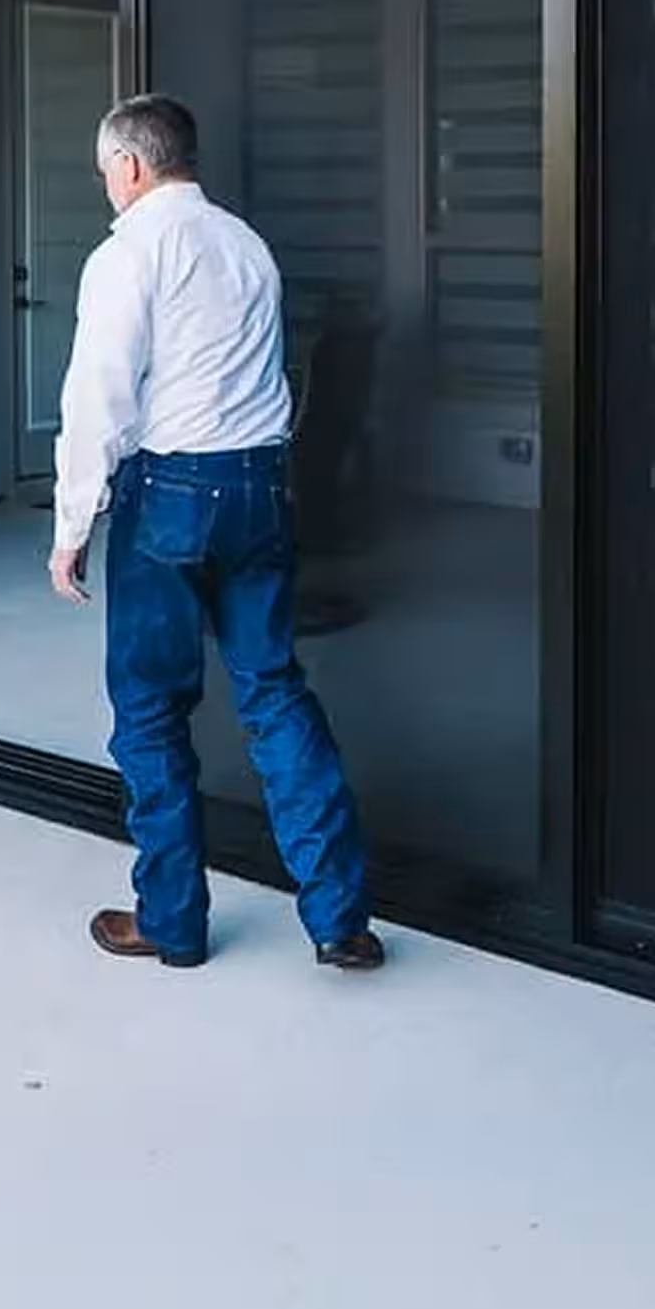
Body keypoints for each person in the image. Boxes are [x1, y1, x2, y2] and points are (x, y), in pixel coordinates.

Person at [48, 93, 384, 972]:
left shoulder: (129, 255)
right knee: (274, 692)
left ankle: (171, 921)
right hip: (261, 485)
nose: (106, 191)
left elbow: (99, 397)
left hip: (171, 494)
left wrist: (72, 521)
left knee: (152, 710)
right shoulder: (246, 247)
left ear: (129, 166)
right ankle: (341, 918)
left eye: (104, 175)